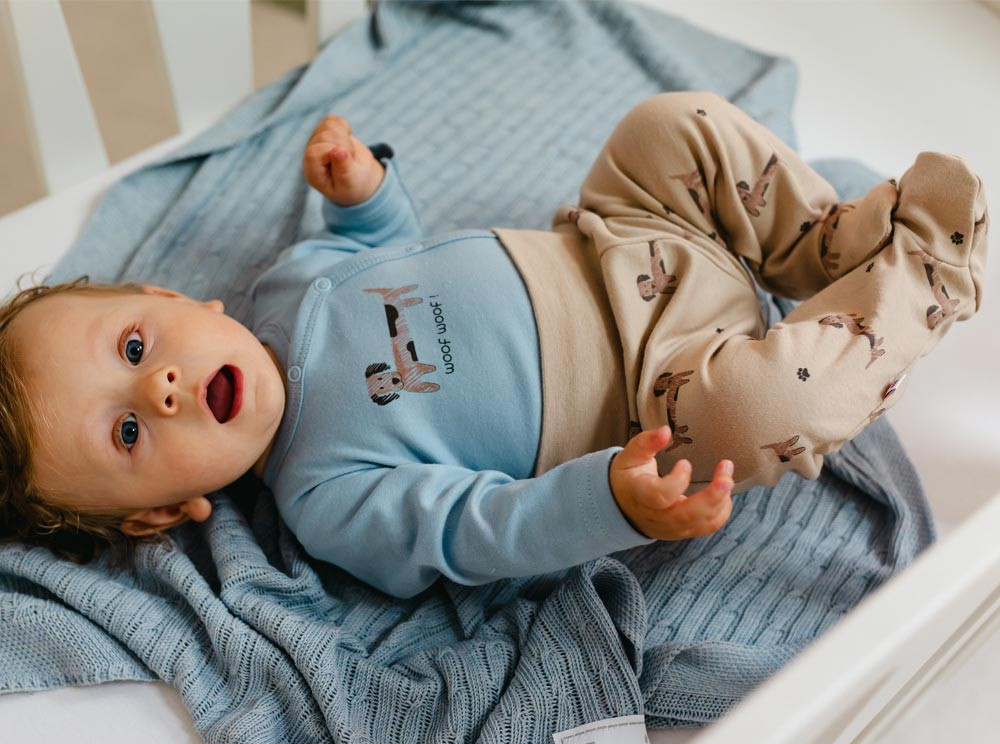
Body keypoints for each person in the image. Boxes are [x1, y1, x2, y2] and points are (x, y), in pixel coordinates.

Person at [0, 92, 988, 598]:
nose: (163, 389)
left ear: (173, 299)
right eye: (127, 433)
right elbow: (480, 531)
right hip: (671, 386)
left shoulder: (289, 283)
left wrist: (362, 194)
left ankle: (831, 244)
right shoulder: (325, 498)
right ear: (161, 514)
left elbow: (385, 248)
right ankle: (922, 277)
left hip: (624, 238)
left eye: (136, 347)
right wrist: (610, 502)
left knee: (661, 128)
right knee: (763, 412)